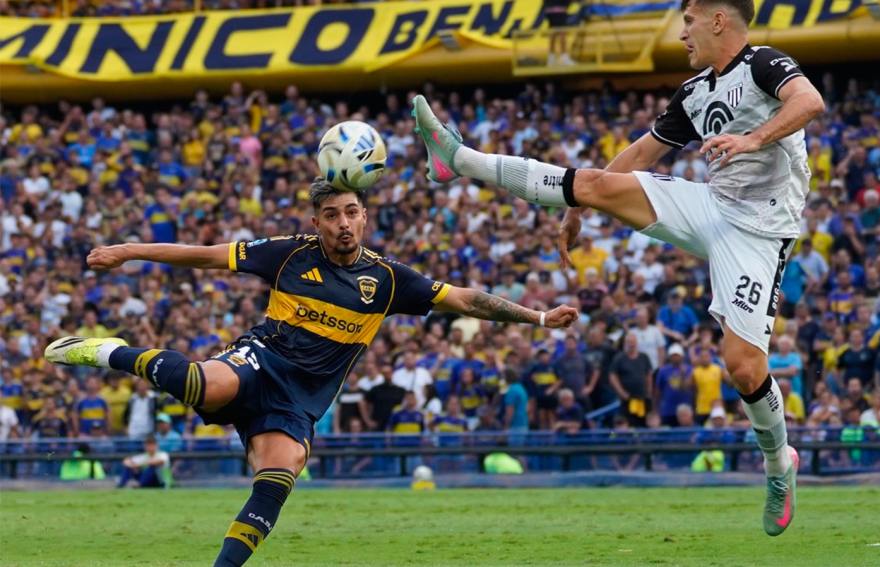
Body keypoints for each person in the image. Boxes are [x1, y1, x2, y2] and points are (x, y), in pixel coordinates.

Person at [412, 0, 824, 534]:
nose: (682, 34)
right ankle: (457, 159)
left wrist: (753, 138)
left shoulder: (763, 63)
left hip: (760, 232)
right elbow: (641, 155)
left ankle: (778, 463)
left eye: (689, 22)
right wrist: (581, 207)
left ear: (719, 20)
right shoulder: (694, 92)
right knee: (593, 181)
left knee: (743, 367)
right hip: (711, 207)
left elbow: (809, 101)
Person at [44, 179, 578, 567]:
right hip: (261, 362)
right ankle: (108, 352)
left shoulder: (388, 280)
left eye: (351, 212)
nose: (343, 223)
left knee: (278, 478)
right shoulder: (287, 254)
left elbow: (465, 299)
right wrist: (130, 252)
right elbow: (205, 256)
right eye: (331, 214)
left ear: (364, 218)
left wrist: (536, 318)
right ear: (316, 222)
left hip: (299, 403)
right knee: (198, 384)